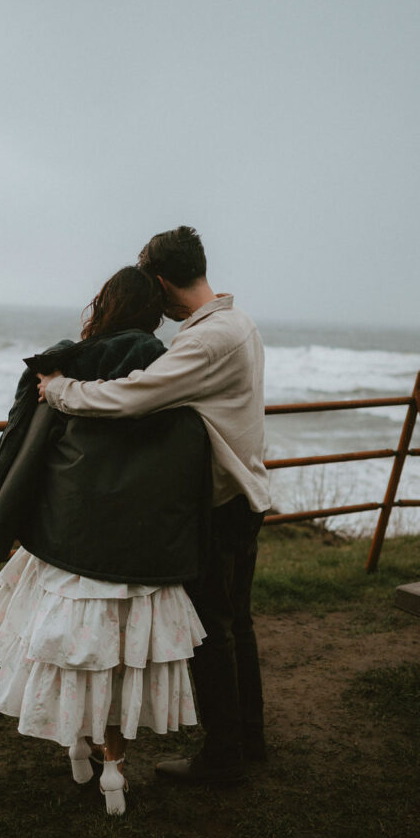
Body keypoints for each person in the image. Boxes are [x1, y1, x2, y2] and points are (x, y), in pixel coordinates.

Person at [0, 266, 209, 815]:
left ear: (106, 305)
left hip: (69, 538)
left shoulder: (67, 365)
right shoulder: (168, 368)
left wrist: (1, 522)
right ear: (153, 312)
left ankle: (78, 750)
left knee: (72, 651)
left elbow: (24, 451)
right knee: (122, 661)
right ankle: (115, 773)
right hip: (142, 548)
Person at [38, 227, 271, 784]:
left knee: (213, 630)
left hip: (220, 501)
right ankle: (247, 743)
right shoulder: (238, 325)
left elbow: (132, 396)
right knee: (236, 623)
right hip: (245, 495)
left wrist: (60, 389)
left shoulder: (207, 340)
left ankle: (221, 760)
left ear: (163, 282)